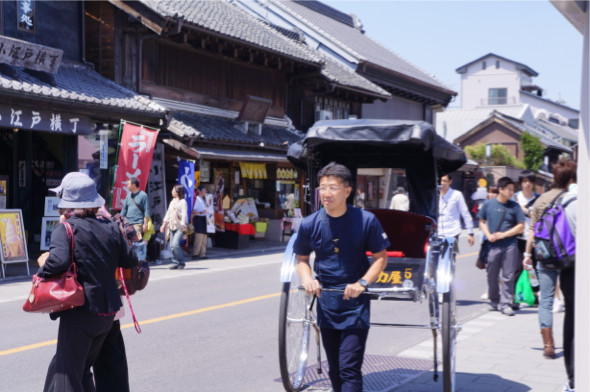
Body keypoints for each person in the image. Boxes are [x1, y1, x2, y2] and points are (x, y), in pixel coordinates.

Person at [294, 162, 389, 392]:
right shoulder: (310, 224)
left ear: (347, 191)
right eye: (323, 187)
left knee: (349, 367)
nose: (326, 193)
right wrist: (308, 279)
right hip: (327, 300)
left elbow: (381, 258)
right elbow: (302, 259)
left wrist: (362, 283)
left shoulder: (366, 220)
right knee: (334, 368)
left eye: (333, 187)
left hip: (355, 301)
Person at [38, 175, 138, 392]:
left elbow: (57, 262)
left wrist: (42, 265)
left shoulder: (65, 229)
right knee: (82, 370)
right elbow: (130, 259)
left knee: (68, 377)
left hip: (79, 313)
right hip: (107, 314)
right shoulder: (110, 227)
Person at [523, 159, 577, 365]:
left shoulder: (541, 199)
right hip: (569, 257)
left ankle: (548, 344)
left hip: (545, 255)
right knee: (571, 302)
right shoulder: (573, 198)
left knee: (545, 300)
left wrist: (527, 254)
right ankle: (572, 341)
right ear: (572, 179)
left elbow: (532, 230)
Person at [478, 177, 525, 316]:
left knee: (508, 276)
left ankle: (505, 304)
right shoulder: (488, 204)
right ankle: (494, 301)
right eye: (509, 189)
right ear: (500, 189)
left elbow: (521, 227)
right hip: (492, 245)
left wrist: (504, 234)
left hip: (510, 245)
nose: (512, 192)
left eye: (513, 189)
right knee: (492, 275)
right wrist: (488, 235)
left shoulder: (515, 206)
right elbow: (481, 222)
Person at [511, 170, 540, 309]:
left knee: (532, 270)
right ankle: (515, 298)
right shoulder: (515, 198)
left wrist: (526, 211)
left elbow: (538, 216)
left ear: (533, 183)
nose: (527, 184)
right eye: (524, 181)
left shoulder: (539, 198)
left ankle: (534, 297)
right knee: (516, 269)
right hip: (518, 239)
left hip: (535, 239)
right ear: (521, 183)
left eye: (529, 181)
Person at [437, 174, 475, 248]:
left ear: (450, 182)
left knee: (451, 257)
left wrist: (470, 232)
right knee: (434, 258)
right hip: (437, 233)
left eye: (444, 181)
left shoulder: (457, 195)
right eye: (440, 180)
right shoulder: (435, 194)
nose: (441, 183)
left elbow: (465, 213)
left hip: (453, 233)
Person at [161, 185, 188, 269]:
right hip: (172, 225)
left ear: (178, 192)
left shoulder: (183, 202)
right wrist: (163, 225)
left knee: (175, 244)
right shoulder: (172, 201)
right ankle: (175, 262)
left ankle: (181, 262)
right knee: (172, 245)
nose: (172, 191)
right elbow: (168, 213)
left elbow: (184, 214)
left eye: (173, 190)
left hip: (180, 226)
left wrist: (183, 225)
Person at [192, 185, 208, 260]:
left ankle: (202, 254)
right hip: (199, 219)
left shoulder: (203, 199)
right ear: (200, 191)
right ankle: (195, 254)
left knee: (204, 237)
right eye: (204, 190)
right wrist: (201, 212)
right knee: (199, 237)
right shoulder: (197, 199)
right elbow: (193, 211)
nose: (205, 192)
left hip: (204, 219)